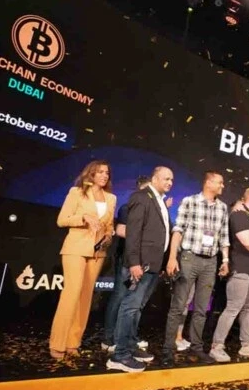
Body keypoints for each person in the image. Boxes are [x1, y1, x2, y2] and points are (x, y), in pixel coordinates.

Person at [107, 166, 173, 373]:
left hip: (153, 264)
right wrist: (134, 262)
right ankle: (119, 355)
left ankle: (129, 346)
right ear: (154, 178)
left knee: (136, 308)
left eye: (171, 180)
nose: (170, 183)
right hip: (140, 264)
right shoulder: (141, 197)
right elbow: (133, 233)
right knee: (130, 306)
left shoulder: (159, 201)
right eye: (166, 179)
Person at [49, 160, 116, 361]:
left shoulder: (111, 198)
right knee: (72, 293)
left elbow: (109, 225)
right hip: (75, 248)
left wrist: (109, 235)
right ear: (91, 174)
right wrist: (84, 217)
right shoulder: (77, 192)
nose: (104, 175)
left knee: (85, 298)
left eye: (107, 172)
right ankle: (57, 343)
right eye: (100, 172)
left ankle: (73, 343)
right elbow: (62, 220)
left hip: (97, 252)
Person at [163, 171, 230, 365]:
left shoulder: (222, 207)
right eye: (220, 182)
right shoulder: (190, 201)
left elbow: (224, 237)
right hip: (189, 258)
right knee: (178, 305)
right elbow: (178, 230)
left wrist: (225, 260)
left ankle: (196, 348)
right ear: (208, 183)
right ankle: (168, 349)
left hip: (210, 262)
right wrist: (172, 258)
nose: (223, 186)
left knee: (201, 308)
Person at [209, 187, 249, 363]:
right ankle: (216, 346)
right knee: (233, 308)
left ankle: (247, 345)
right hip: (241, 268)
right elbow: (247, 241)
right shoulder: (239, 215)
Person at [102, 175, 150, 353]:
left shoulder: (151, 210)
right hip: (126, 258)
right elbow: (120, 231)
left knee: (135, 301)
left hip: (144, 260)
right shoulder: (127, 207)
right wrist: (146, 234)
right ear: (140, 188)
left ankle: (128, 337)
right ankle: (108, 338)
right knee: (120, 296)